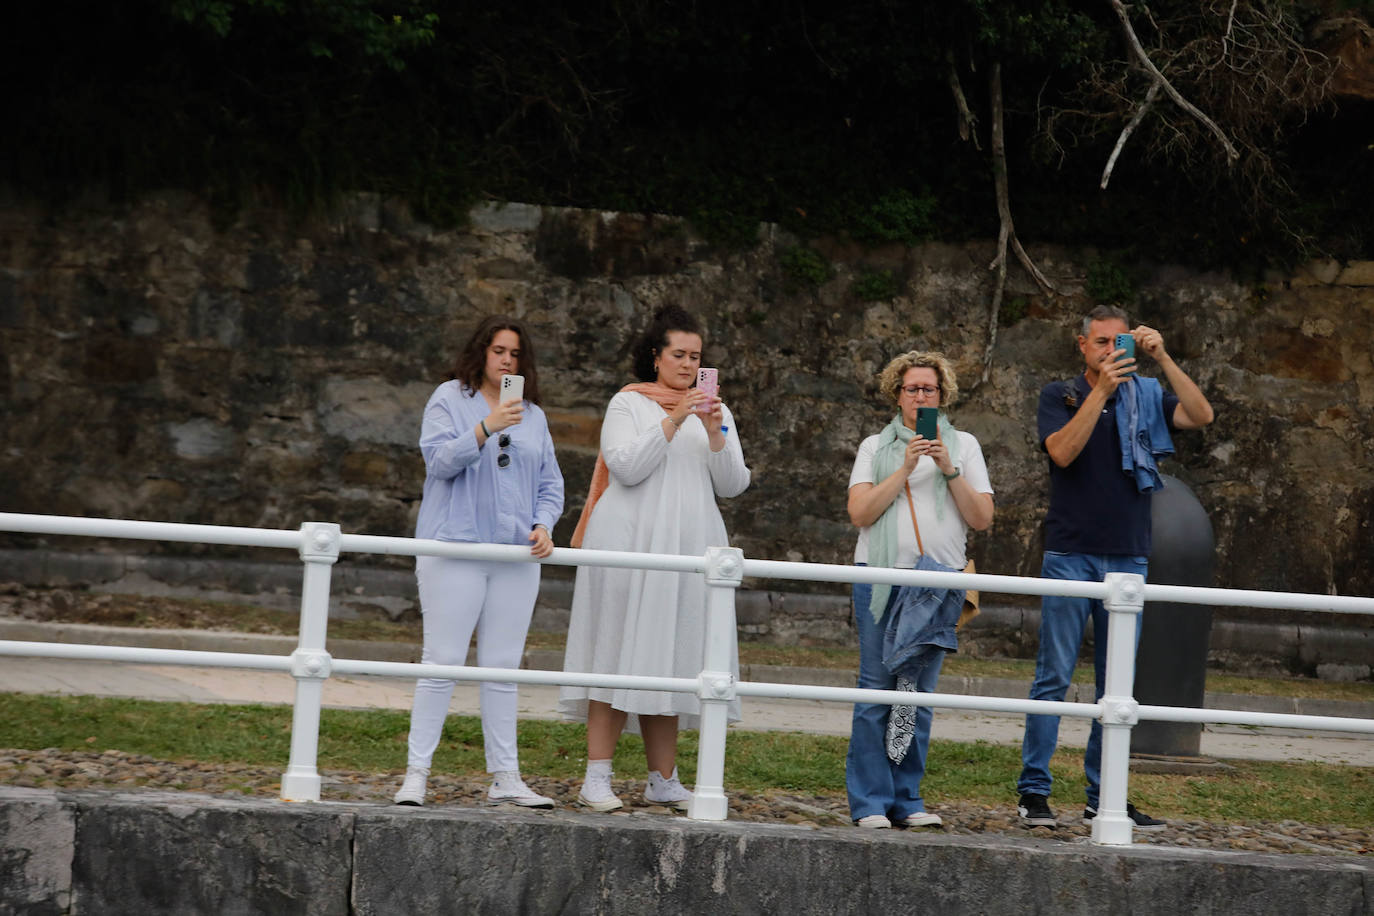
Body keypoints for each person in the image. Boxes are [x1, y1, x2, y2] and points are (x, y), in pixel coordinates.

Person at [1016, 305, 1214, 831]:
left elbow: (1200, 415)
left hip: (1127, 554)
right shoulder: (1060, 395)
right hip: (1071, 552)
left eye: (1119, 342)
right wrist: (1100, 391)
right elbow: (1061, 453)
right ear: (1081, 345)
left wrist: (1163, 357)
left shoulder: (1145, 397)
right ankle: (1033, 792)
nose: (1110, 351)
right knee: (1053, 678)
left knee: (1115, 687)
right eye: (1101, 342)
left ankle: (1106, 796)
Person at [559, 304, 751, 812]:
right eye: (679, 355)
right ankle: (596, 777)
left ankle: (662, 779)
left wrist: (714, 431)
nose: (688, 365)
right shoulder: (629, 404)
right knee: (615, 653)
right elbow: (625, 468)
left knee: (672, 656)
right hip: (629, 542)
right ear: (656, 356)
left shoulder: (717, 411)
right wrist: (674, 417)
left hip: (688, 541)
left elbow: (733, 483)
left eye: (696, 357)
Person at [393, 315, 565, 808]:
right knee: (442, 661)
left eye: (515, 354)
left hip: (515, 555)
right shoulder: (449, 398)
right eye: (498, 351)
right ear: (481, 353)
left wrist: (543, 524)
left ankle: (506, 777)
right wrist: (487, 427)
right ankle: (417, 774)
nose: (507, 360)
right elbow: (439, 462)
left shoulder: (533, 413)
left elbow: (550, 483)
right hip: (456, 547)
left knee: (503, 668)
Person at [845, 350, 994, 829]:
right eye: (912, 389)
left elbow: (981, 518)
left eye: (929, 389)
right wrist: (905, 468)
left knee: (915, 693)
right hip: (880, 578)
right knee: (876, 691)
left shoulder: (965, 445)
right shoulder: (875, 446)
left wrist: (948, 467)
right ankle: (870, 802)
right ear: (897, 394)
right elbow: (861, 514)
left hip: (938, 582)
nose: (921, 396)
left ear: (942, 395)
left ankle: (906, 799)